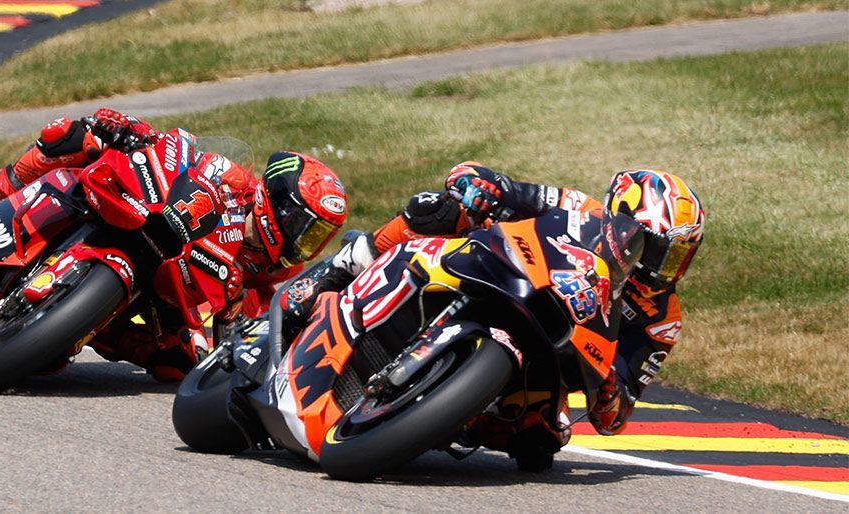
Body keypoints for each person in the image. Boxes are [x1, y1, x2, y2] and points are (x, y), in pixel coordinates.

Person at [279, 163, 706, 465]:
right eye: (657, 250)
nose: (662, 267)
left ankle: (435, 418)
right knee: (438, 211)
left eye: (677, 257)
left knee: (541, 440)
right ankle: (341, 267)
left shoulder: (661, 319)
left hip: (551, 355)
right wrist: (481, 185)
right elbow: (506, 190)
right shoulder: (580, 209)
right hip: (504, 277)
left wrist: (611, 392)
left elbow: (617, 412)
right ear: (620, 217)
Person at [0, 107, 349, 379]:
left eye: (314, 237)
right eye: (302, 225)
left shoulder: (266, 275)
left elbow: (234, 346)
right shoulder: (235, 182)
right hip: (142, 213)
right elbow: (177, 151)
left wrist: (227, 329)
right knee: (71, 135)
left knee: (180, 362)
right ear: (276, 201)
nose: (301, 240)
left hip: (163, 293)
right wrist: (131, 131)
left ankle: (76, 329)